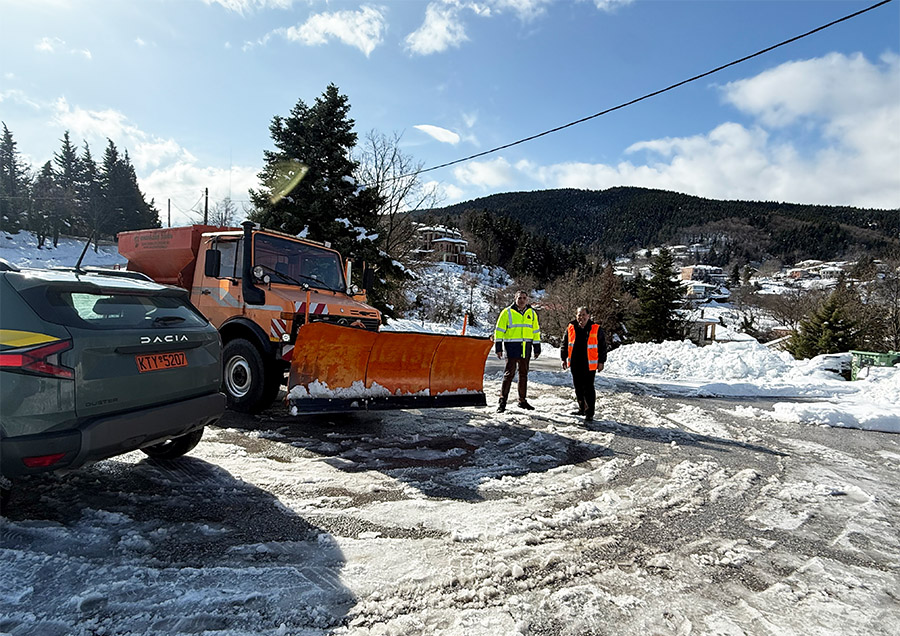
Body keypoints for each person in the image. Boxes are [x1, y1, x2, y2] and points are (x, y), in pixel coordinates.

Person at [494, 290, 541, 412]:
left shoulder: (532, 313)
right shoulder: (507, 312)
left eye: (524, 298)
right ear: (515, 299)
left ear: (527, 300)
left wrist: (537, 347)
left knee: (523, 375)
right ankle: (502, 401)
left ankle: (522, 401)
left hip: (526, 348)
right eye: (519, 298)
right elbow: (499, 331)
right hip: (512, 347)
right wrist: (498, 347)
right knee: (509, 374)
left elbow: (536, 331)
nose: (522, 300)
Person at [560, 307, 607, 422]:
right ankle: (582, 408)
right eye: (579, 315)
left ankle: (589, 412)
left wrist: (601, 362)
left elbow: (602, 346)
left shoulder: (596, 328)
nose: (581, 317)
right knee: (578, 387)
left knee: (588, 388)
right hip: (575, 362)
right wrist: (563, 358)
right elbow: (564, 343)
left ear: (588, 316)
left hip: (589, 364)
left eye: (583, 315)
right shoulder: (571, 327)